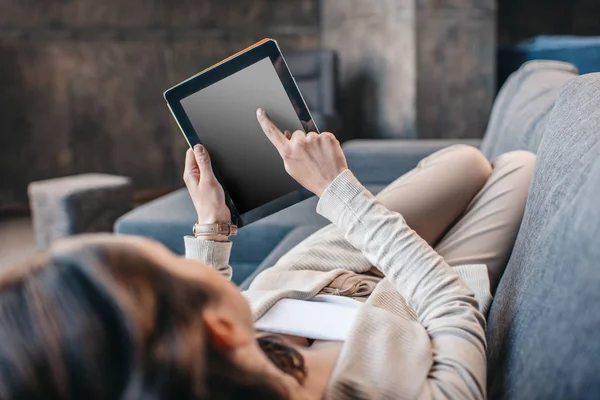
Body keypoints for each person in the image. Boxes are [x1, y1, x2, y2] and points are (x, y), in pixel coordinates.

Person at [0, 109, 535, 399]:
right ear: (219, 332)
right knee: (519, 169)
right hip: (416, 295)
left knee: (467, 163)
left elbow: (188, 319)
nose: (192, 271)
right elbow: (451, 308)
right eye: (180, 274)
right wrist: (337, 192)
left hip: (313, 270)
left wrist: (213, 226)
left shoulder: (187, 373)